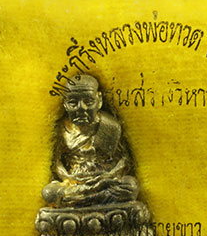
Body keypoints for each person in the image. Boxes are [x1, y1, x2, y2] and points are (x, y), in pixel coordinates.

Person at [41, 74, 140, 208]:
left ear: (99, 101)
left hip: (105, 180)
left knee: (130, 186)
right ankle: (94, 200)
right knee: (49, 193)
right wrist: (69, 178)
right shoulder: (62, 130)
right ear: (65, 104)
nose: (81, 108)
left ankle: (79, 201)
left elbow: (124, 161)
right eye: (73, 103)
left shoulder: (110, 126)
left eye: (88, 102)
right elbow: (56, 164)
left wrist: (107, 177)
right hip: (74, 182)